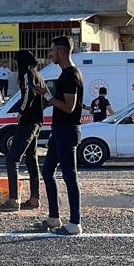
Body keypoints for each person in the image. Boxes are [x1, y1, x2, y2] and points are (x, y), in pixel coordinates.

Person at [33, 36, 85, 235]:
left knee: (69, 176)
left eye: (53, 50)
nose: (50, 54)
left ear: (62, 52)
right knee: (47, 172)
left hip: (68, 130)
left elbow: (69, 107)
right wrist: (45, 94)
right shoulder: (65, 74)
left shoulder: (70, 75)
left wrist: (47, 95)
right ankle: (54, 218)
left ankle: (74, 223)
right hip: (59, 131)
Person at [0, 50, 45, 212]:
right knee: (31, 159)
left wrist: (22, 112)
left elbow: (27, 95)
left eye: (17, 62)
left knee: (12, 159)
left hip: (27, 121)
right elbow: (43, 95)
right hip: (37, 121)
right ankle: (34, 199)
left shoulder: (27, 74)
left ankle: (13, 199)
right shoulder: (38, 74)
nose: (16, 65)